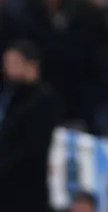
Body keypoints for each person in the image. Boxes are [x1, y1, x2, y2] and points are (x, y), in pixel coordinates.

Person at [0, 41, 60, 212]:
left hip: (29, 185)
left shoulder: (45, 99)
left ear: (31, 64)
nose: (8, 70)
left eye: (14, 63)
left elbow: (34, 146)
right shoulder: (11, 96)